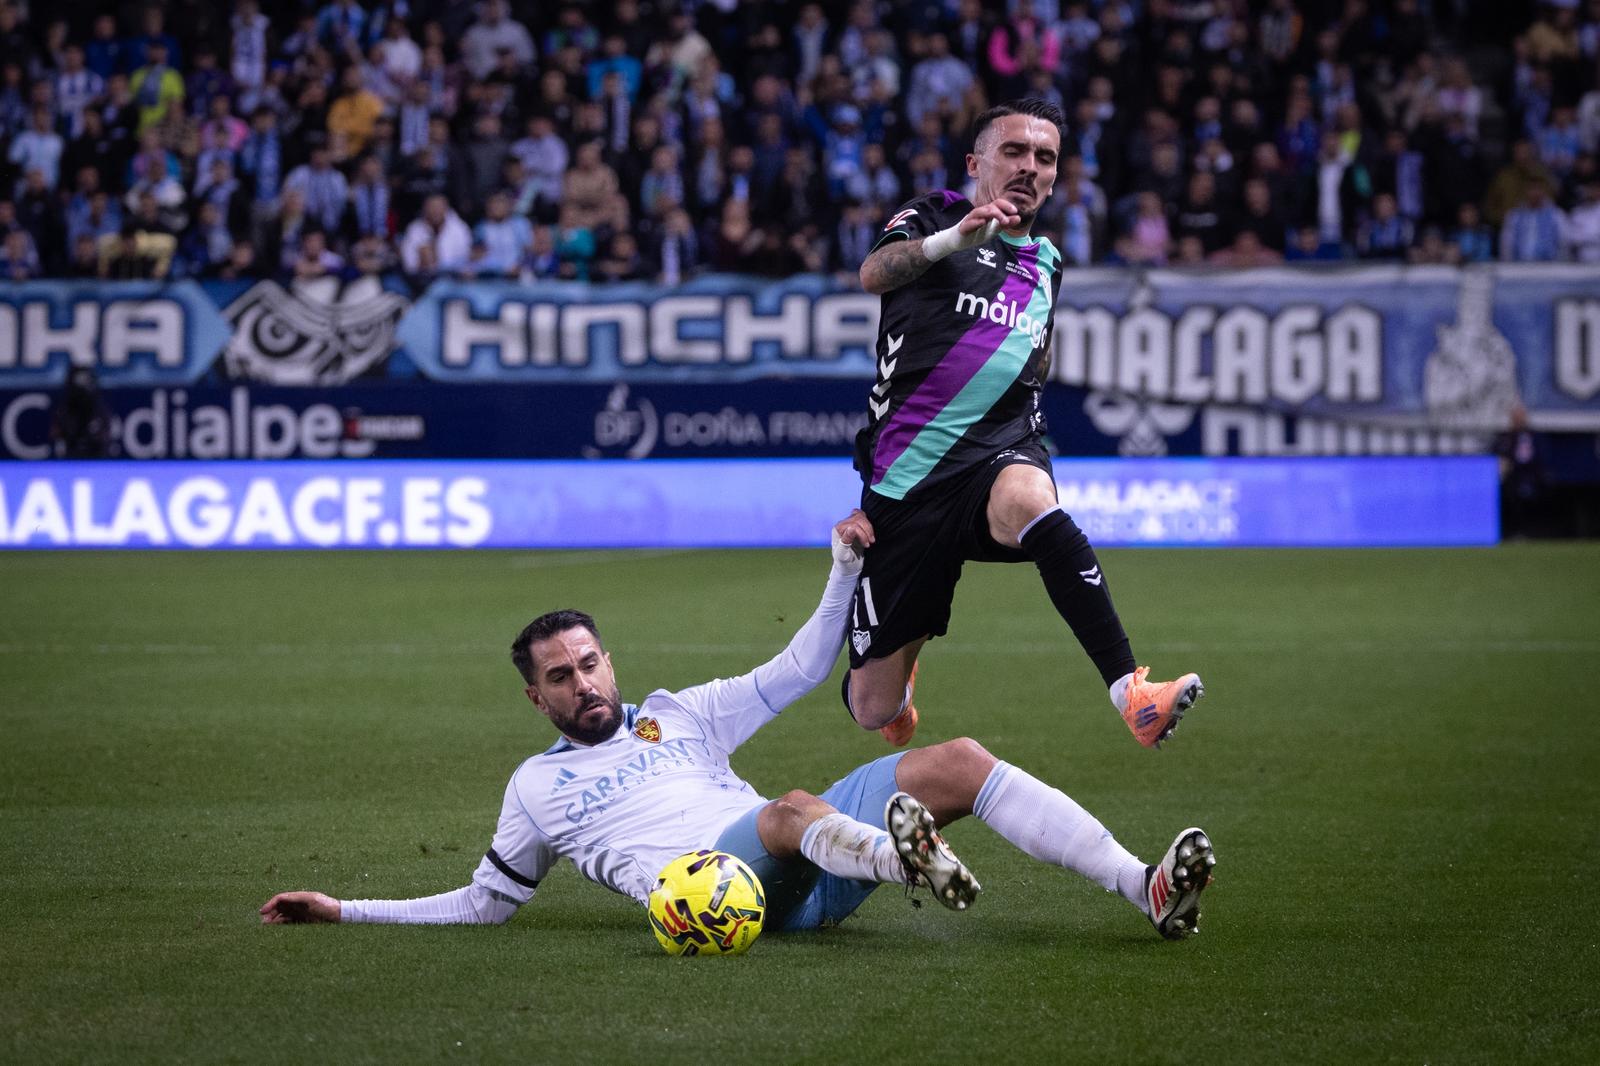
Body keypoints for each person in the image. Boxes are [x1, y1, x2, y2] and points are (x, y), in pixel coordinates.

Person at [261, 513, 1216, 941]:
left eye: (590, 663)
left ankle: (1146, 889)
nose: (582, 682)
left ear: (610, 664)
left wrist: (841, 570)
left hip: (811, 859)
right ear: (537, 700)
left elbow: (801, 669)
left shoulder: (678, 717)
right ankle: (901, 859)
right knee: (783, 810)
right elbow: (483, 905)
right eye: (561, 677)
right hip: (709, 903)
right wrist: (346, 909)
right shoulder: (534, 788)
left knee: (958, 760)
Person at [849, 98, 1204, 749]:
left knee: (1033, 501)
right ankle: (901, 679)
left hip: (997, 458)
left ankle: (1133, 693)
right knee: (873, 709)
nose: (1029, 167)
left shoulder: (1047, 262)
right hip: (907, 481)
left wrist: (1027, 442)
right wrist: (953, 241)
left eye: (1045, 157)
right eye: (1013, 151)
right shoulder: (935, 213)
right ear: (975, 161)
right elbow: (875, 273)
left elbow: (1027, 358)